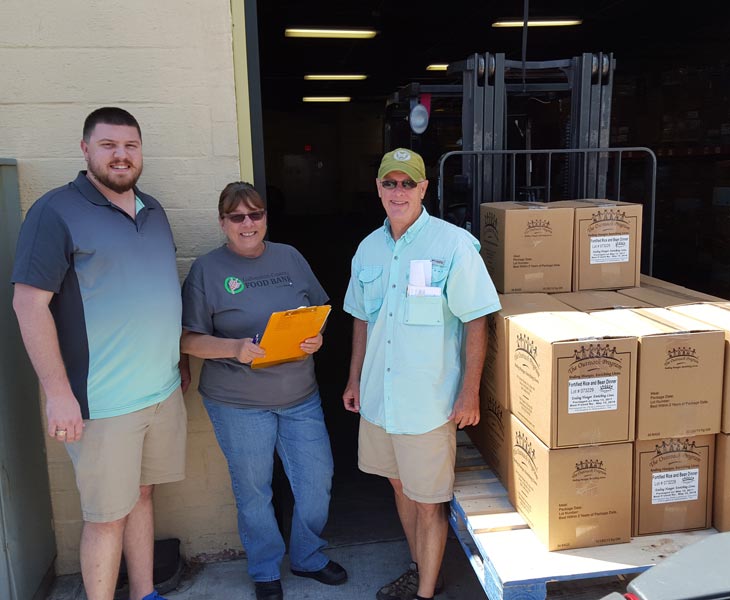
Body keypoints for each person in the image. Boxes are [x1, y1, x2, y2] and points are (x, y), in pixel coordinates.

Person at [11, 107, 189, 600]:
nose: (121, 155)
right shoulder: (54, 211)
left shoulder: (153, 210)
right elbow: (28, 304)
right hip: (101, 404)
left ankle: (145, 592)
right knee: (106, 517)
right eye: (108, 145)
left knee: (143, 497)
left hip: (160, 392)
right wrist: (58, 394)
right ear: (85, 149)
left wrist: (179, 367)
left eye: (130, 145)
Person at [342, 148, 501, 600]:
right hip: (378, 400)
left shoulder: (452, 245)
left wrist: (469, 392)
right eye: (389, 183)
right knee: (400, 487)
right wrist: (354, 380)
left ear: (424, 189)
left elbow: (476, 319)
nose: (398, 191)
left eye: (407, 183)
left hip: (427, 403)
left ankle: (424, 593)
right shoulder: (367, 248)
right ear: (378, 188)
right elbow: (361, 320)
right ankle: (420, 570)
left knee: (430, 503)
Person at [180, 181, 346, 600]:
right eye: (237, 217)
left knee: (316, 480)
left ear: (265, 218)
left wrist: (317, 337)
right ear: (223, 223)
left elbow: (319, 311)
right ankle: (265, 568)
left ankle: (308, 556)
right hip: (238, 402)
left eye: (255, 214)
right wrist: (234, 348)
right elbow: (187, 338)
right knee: (254, 489)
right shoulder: (207, 269)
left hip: (299, 396)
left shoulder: (289, 256)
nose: (248, 223)